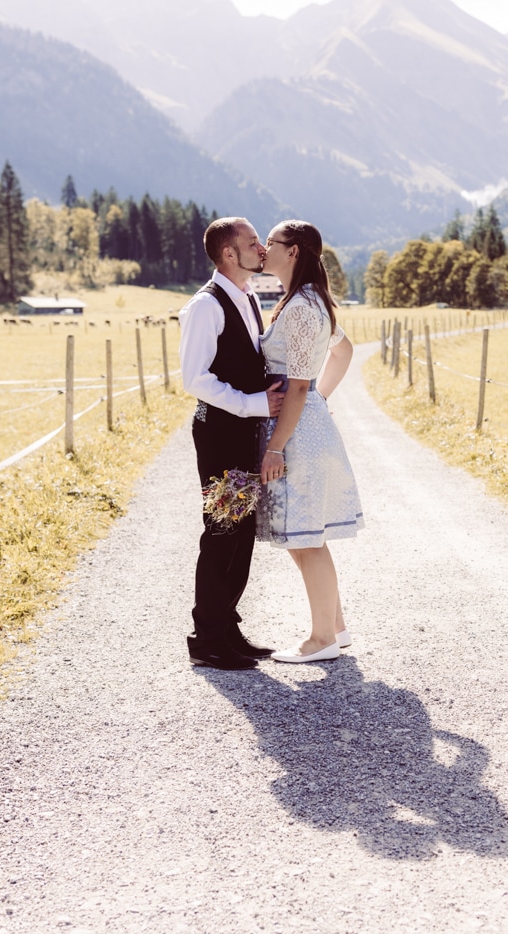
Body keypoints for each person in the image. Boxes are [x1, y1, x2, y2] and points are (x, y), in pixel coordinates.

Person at [179, 217, 285, 671]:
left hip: (242, 431)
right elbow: (194, 379)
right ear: (228, 253)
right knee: (222, 530)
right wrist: (253, 403)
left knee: (241, 531)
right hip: (221, 432)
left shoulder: (246, 295)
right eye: (253, 242)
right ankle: (207, 639)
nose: (262, 248)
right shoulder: (206, 306)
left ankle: (227, 626)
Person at [257, 220, 364, 664]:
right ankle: (335, 628)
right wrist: (320, 399)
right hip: (305, 423)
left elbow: (298, 387)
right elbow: (344, 351)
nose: (264, 250)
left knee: (306, 538)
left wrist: (276, 446)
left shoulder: (301, 307)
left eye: (271, 243)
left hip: (296, 432)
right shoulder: (306, 301)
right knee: (304, 534)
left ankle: (321, 639)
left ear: (294, 251)